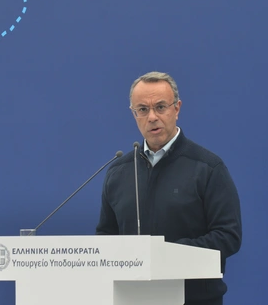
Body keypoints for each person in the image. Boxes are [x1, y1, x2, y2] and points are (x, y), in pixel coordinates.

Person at [96, 71, 242, 305]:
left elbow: (228, 236)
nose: (152, 117)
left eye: (160, 107)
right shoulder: (118, 172)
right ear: (134, 114)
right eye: (142, 109)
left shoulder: (208, 168)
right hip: (132, 298)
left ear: (177, 108)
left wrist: (169, 253)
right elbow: (106, 236)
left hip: (193, 299)